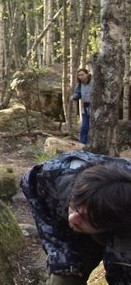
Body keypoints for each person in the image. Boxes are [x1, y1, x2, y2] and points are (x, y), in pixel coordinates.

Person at [20, 151, 131, 284]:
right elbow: (29, 184)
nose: (72, 218)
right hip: (86, 228)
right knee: (64, 277)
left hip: (122, 230)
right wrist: (60, 250)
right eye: (74, 207)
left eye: (85, 218)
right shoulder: (57, 175)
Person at [71, 68, 92, 144]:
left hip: (95, 106)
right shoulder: (80, 85)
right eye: (79, 75)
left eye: (83, 75)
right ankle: (82, 143)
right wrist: (74, 96)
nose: (81, 77)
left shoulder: (93, 82)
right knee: (84, 126)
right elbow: (78, 93)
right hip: (85, 107)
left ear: (87, 74)